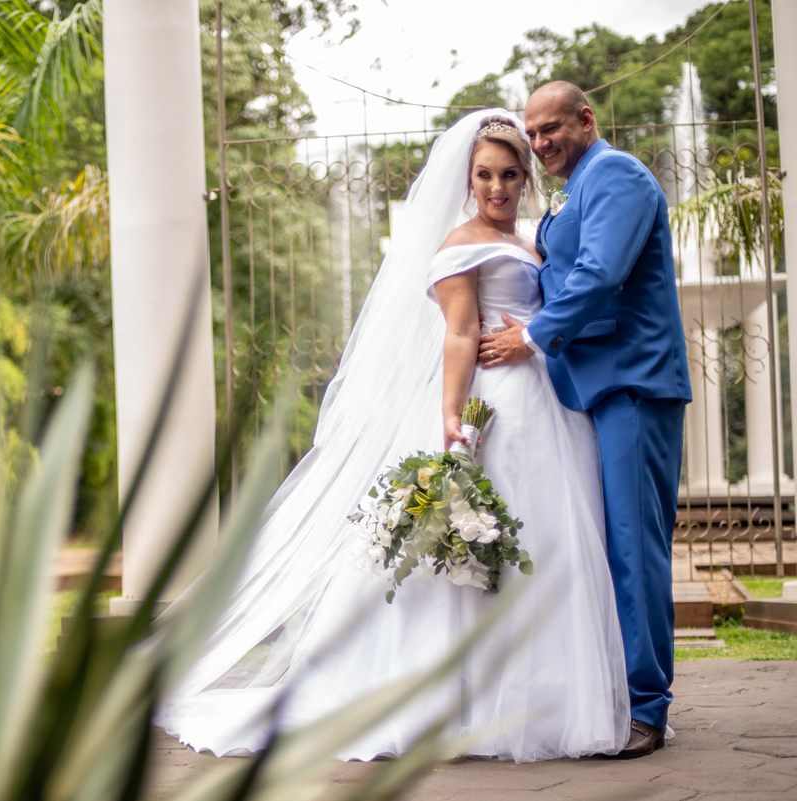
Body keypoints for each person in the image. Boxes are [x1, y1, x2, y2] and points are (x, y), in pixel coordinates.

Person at [158, 110, 631, 763]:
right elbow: (461, 334)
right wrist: (452, 422)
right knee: (482, 551)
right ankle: (459, 698)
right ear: (468, 178)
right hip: (495, 404)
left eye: (510, 175)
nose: (498, 187)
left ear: (527, 178)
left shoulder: (531, 240)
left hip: (546, 401)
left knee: (548, 542)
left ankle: (543, 695)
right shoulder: (460, 245)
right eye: (486, 175)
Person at [479, 81, 690, 758]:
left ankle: (647, 709)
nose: (540, 145)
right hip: (592, 389)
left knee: (635, 548)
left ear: (586, 118)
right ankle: (621, 693)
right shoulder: (579, 188)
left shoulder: (618, 175)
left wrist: (532, 336)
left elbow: (600, 273)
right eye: (532, 135)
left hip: (631, 384)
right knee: (611, 544)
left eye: (550, 130)